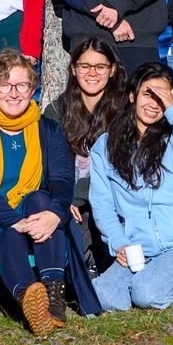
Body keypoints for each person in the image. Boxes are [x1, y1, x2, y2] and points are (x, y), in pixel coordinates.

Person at [0, 51, 100, 338]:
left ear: (33, 89)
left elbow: (63, 178)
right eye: (5, 85)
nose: (14, 93)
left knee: (42, 200)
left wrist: (56, 213)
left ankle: (52, 296)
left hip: (36, 216)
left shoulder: (47, 129)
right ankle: (30, 296)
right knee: (10, 233)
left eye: (22, 85)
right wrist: (14, 220)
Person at [88, 63, 173, 311]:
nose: (154, 102)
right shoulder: (105, 146)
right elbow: (102, 204)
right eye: (148, 93)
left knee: (145, 293)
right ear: (132, 96)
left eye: (163, 95)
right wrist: (119, 243)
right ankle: (157, 285)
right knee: (103, 297)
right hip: (141, 251)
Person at [42, 36, 126, 274]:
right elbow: (48, 165)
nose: (92, 73)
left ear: (111, 71)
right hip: (70, 201)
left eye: (100, 66)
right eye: (84, 66)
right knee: (71, 224)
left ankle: (95, 269)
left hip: (111, 199)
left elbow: (121, 171)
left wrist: (75, 197)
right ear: (73, 69)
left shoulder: (123, 113)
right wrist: (62, 198)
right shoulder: (56, 111)